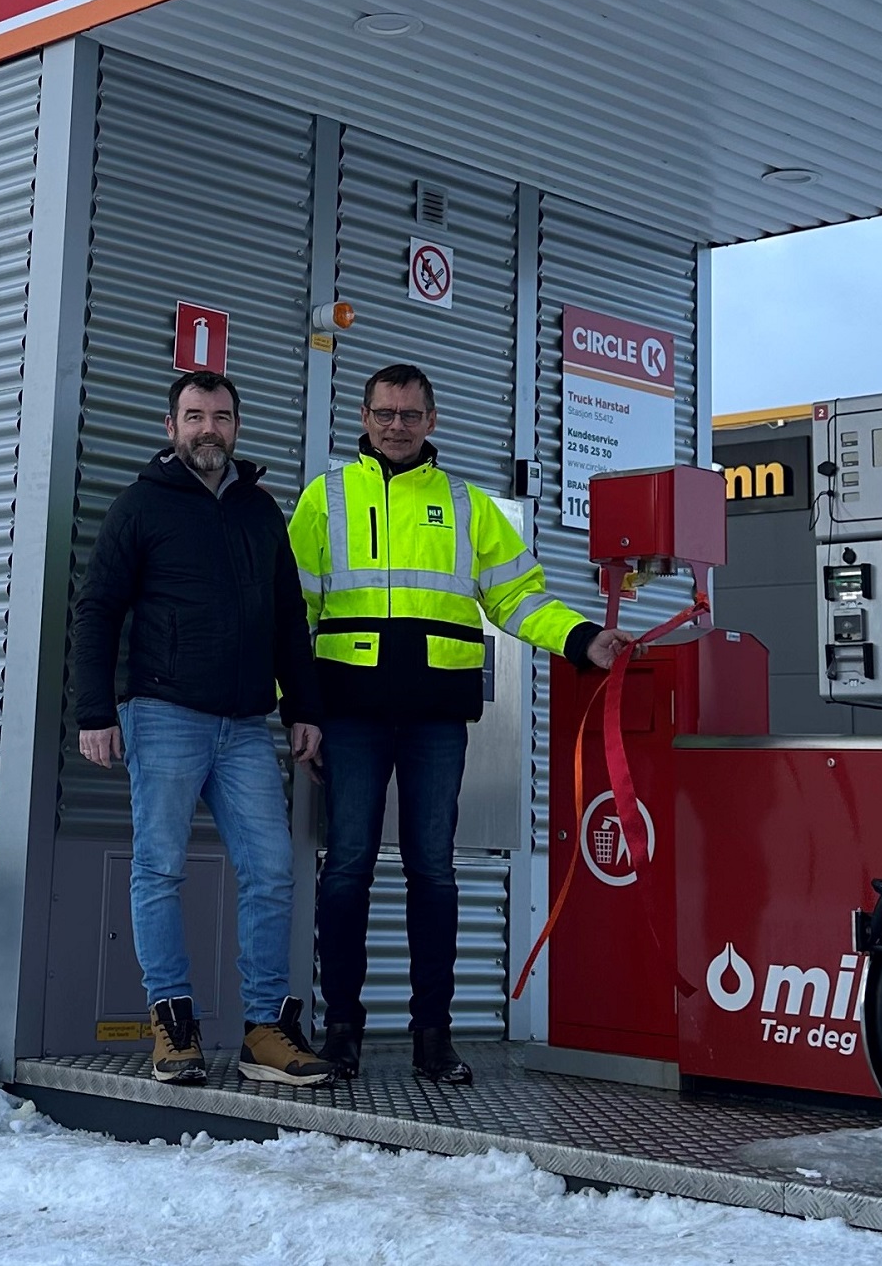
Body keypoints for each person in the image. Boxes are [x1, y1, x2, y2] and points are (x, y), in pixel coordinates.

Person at [290, 362, 635, 1085]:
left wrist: (579, 638)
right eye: (384, 412)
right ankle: (342, 1030)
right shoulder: (326, 497)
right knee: (347, 865)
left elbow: (518, 598)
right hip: (348, 713)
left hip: (435, 718)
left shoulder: (466, 503)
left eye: (410, 413)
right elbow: (295, 613)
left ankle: (432, 1035)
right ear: (363, 414)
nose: (396, 425)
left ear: (432, 420)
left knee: (433, 871)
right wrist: (300, 710)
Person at [70, 370, 336, 1088]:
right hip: (162, 714)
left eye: (220, 416)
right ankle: (172, 1022)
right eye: (194, 416)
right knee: (160, 868)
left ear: (236, 428)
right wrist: (94, 711)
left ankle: (263, 1030)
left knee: (273, 869)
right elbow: (98, 610)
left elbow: (288, 617)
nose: (207, 429)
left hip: (247, 723)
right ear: (171, 427)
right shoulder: (140, 506)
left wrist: (303, 708)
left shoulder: (259, 510)